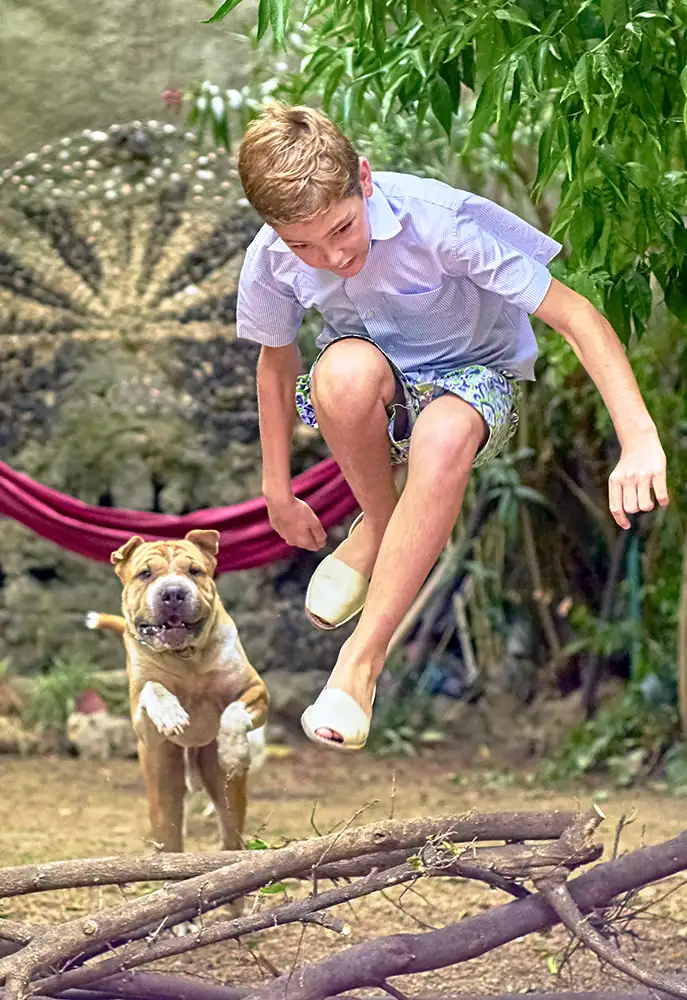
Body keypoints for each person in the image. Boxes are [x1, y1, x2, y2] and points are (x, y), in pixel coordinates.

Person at [235, 103, 668, 752]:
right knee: (340, 373)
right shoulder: (272, 256)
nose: (332, 255)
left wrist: (637, 438)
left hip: (472, 379)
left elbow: (578, 317)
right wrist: (276, 488)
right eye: (304, 244)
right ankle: (383, 527)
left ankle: (360, 665)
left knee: (440, 433)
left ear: (364, 177)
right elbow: (276, 361)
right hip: (377, 390)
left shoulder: (438, 223)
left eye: (342, 229)